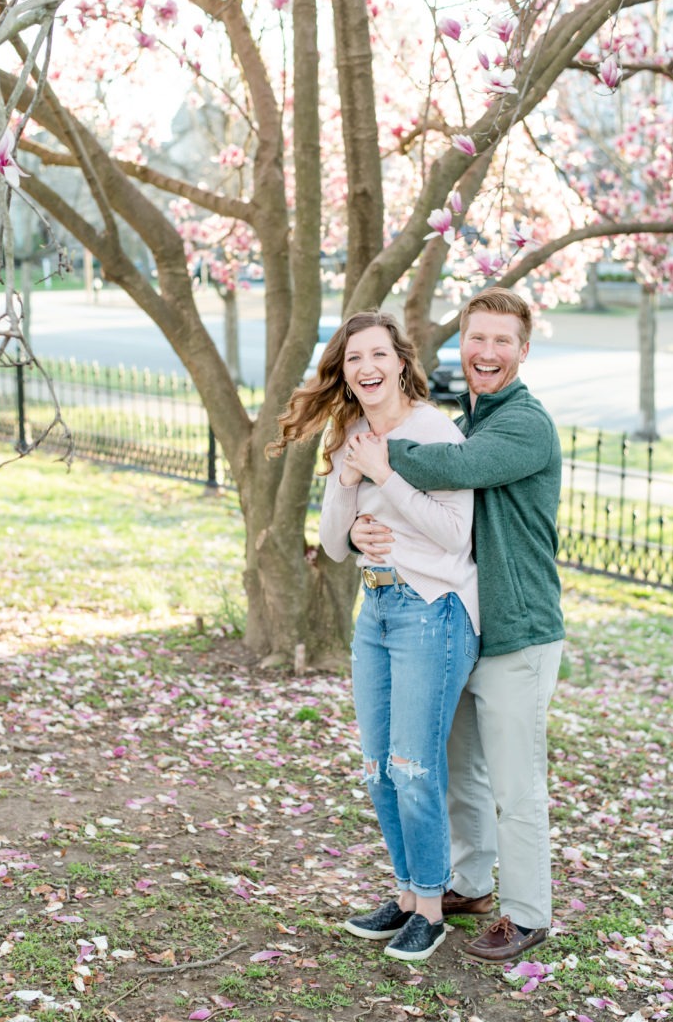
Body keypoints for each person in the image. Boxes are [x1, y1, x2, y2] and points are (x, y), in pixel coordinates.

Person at [350, 287, 565, 964]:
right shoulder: (466, 418)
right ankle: (467, 886)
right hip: (464, 624)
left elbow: (461, 469)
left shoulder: (522, 425)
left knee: (513, 781)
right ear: (461, 345)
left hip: (519, 632)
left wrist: (383, 453)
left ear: (523, 352)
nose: (488, 352)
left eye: (503, 341)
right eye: (477, 338)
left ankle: (527, 913)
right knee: (457, 772)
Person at [267, 310, 480, 962]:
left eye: (378, 354)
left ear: (400, 361)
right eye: (354, 357)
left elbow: (455, 535)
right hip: (377, 613)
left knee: (415, 770)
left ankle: (433, 908)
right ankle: (410, 897)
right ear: (345, 368)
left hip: (434, 609)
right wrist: (351, 495)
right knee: (379, 772)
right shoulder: (352, 432)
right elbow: (332, 545)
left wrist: (386, 475)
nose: (366, 367)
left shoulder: (432, 430)